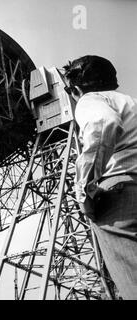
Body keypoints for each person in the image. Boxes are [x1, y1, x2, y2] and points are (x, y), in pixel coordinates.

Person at [63, 55, 137, 299]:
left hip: (122, 195)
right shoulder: (130, 103)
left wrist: (84, 191)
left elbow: (103, 121)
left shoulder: (90, 100)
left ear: (74, 88)